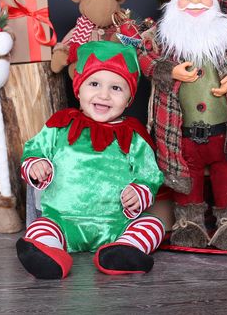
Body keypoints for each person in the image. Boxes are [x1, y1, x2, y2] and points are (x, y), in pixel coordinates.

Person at [16, 41, 164, 279]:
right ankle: (49, 254)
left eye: (116, 88)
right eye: (94, 84)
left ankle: (124, 251)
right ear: (79, 88)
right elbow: (34, 149)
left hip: (116, 225)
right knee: (39, 228)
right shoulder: (60, 125)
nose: (104, 95)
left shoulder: (133, 136)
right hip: (63, 221)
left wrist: (139, 192)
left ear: (128, 99)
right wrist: (36, 164)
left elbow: (150, 174)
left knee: (154, 225)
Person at [138, 0, 227, 251]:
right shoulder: (162, 38)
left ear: (214, 2)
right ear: (174, 3)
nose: (195, 1)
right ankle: (190, 226)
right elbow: (144, 57)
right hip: (180, 134)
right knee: (186, 180)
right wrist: (168, 70)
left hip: (225, 131)